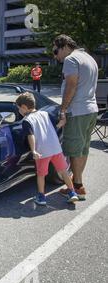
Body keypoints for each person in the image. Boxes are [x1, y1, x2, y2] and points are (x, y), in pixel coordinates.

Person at [53, 35, 99, 200]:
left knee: (73, 149)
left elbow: (71, 85)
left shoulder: (71, 59)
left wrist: (63, 110)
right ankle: (77, 183)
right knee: (83, 148)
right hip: (91, 109)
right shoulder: (89, 58)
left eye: (56, 51)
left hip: (77, 110)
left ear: (64, 46)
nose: (55, 56)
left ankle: (77, 186)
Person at [16, 92, 79, 205]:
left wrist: (34, 150)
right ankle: (72, 192)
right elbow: (52, 126)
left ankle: (41, 197)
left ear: (24, 107)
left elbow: (31, 136)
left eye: (19, 108)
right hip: (56, 148)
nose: (19, 111)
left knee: (41, 175)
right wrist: (62, 122)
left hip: (43, 152)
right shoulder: (44, 113)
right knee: (64, 171)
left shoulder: (27, 120)